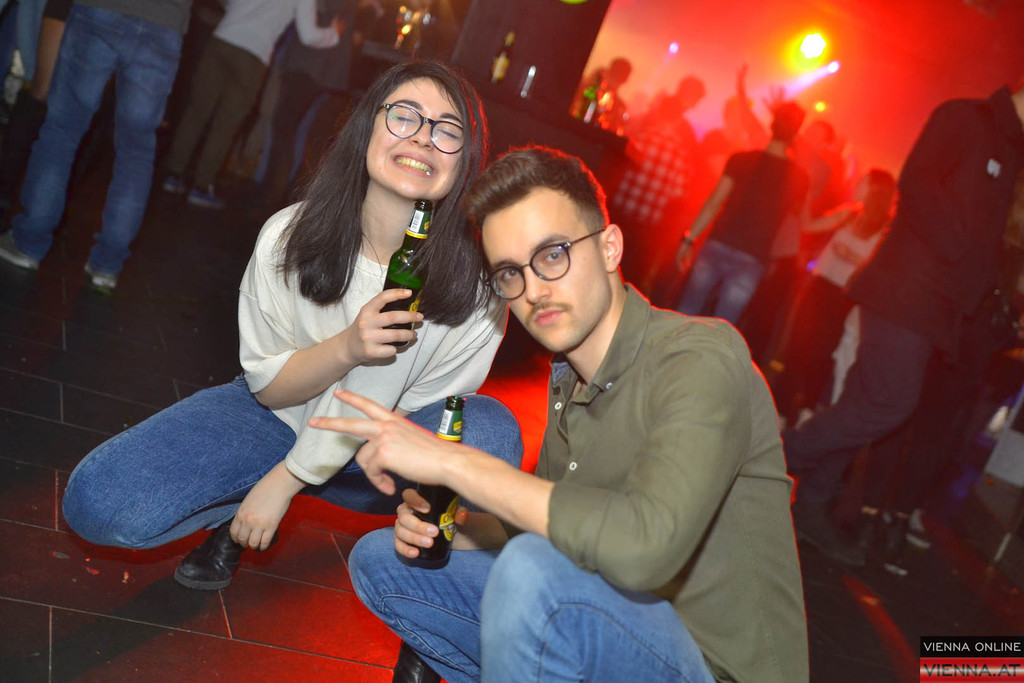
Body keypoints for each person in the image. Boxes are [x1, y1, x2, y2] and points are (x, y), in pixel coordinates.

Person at [316, 146, 808, 683]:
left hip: (711, 668)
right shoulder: (569, 379)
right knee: (387, 560)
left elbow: (644, 548)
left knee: (534, 575)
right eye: (510, 273)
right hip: (608, 628)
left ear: (610, 246)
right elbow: (554, 527)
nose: (533, 291)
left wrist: (452, 464)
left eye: (552, 255)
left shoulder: (701, 358)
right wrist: (455, 528)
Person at [60, 60, 522, 592]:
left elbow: (397, 404)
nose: (422, 137)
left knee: (487, 431)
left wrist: (289, 478)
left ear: (465, 162)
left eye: (447, 130)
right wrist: (347, 347)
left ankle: (413, 614)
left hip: (384, 451)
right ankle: (235, 506)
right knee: (97, 501)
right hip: (280, 416)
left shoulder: (477, 287)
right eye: (405, 115)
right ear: (367, 126)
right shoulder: (289, 236)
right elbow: (269, 387)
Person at [783, 82, 1024, 567]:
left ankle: (810, 505)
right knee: (889, 403)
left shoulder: (1012, 148)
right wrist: (958, 252)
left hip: (938, 306)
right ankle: (763, 458)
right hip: (906, 289)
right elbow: (916, 182)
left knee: (863, 402)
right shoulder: (966, 116)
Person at [0, 0, 194, 291]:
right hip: (164, 24)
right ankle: (107, 265)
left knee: (62, 131)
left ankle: (29, 242)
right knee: (136, 152)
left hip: (101, 9)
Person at [161, 0, 343, 209]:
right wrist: (333, 33)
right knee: (225, 124)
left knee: (196, 111)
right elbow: (308, 35)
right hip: (253, 56)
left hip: (223, 39)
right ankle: (201, 186)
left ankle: (174, 174)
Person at [770, 168, 896, 427]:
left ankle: (807, 410)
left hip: (845, 296)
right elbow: (808, 226)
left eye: (863, 182)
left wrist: (852, 257)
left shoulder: (886, 229)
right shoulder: (849, 213)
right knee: (798, 344)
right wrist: (807, 195)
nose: (857, 185)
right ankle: (781, 411)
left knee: (823, 352)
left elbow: (882, 271)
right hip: (821, 286)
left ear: (874, 191)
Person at [673, 100, 809, 324]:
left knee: (687, 312)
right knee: (723, 328)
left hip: (718, 243)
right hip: (753, 257)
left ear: (771, 125)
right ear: (796, 134)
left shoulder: (741, 160)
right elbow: (797, 222)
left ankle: (670, 348)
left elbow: (714, 202)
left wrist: (689, 239)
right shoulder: (799, 178)